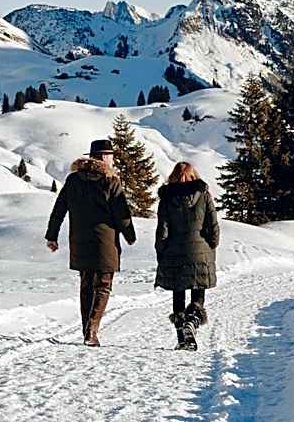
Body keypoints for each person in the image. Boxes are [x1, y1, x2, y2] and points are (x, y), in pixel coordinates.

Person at [46, 139, 137, 346]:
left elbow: (59, 209)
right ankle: (92, 330)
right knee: (103, 285)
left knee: (86, 284)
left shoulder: (73, 180)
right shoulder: (110, 181)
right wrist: (130, 235)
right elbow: (121, 214)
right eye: (111, 155)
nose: (112, 160)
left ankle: (87, 329)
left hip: (79, 240)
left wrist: (52, 236)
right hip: (105, 241)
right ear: (104, 157)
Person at [154, 161, 220, 351]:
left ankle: (183, 337)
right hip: (200, 251)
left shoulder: (166, 199)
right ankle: (193, 320)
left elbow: (162, 230)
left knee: (178, 291)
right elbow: (213, 224)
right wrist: (211, 245)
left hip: (175, 251)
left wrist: (161, 251)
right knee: (198, 289)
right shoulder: (204, 195)